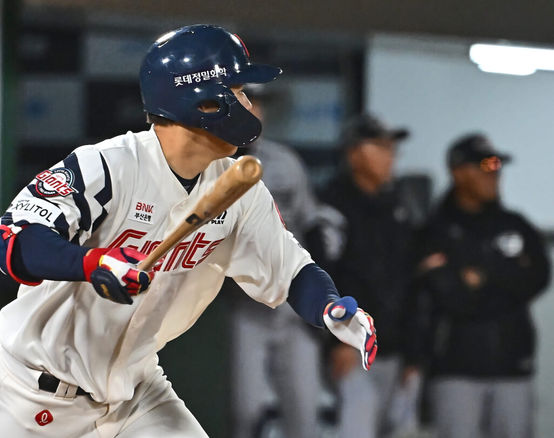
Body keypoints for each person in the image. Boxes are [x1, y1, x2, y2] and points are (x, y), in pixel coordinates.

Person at [0, 24, 377, 438]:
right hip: (33, 397)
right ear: (204, 105)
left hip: (135, 392)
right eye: (239, 91)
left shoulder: (238, 188)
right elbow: (13, 240)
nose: (250, 105)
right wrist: (92, 263)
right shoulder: (109, 166)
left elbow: (292, 272)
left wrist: (329, 308)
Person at [407, 133, 550, 438]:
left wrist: (481, 276)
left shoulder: (515, 224)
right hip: (455, 368)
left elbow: (537, 279)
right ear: (458, 172)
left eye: (497, 167)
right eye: (484, 167)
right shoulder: (434, 232)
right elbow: (450, 297)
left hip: (513, 365)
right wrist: (506, 279)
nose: (494, 174)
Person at [306, 114, 419, 438]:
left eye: (392, 148)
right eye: (381, 147)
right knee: (357, 424)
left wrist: (414, 352)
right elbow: (320, 276)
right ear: (354, 154)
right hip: (350, 347)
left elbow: (410, 280)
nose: (390, 156)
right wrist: (337, 337)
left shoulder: (400, 206)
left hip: (394, 346)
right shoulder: (331, 206)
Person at [228, 84, 325, 438]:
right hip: (242, 305)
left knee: (304, 411)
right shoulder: (208, 163)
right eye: (244, 102)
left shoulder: (284, 162)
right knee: (245, 411)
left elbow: (311, 219)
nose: (254, 111)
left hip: (290, 305)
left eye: (258, 104)